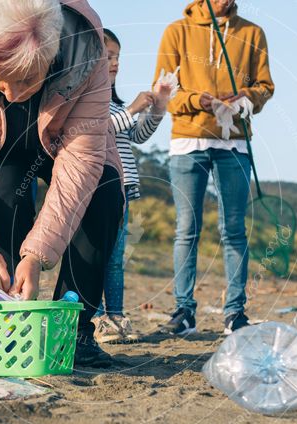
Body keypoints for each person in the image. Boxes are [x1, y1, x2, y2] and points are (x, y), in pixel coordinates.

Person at [0, 0, 125, 368]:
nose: (16, 94)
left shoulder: (87, 48)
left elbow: (80, 162)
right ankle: (6, 324)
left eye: (29, 80)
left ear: (54, 54)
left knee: (103, 193)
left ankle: (75, 332)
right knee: (3, 187)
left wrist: (36, 255)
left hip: (72, 133)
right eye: (6, 81)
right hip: (2, 138)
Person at [153, 0, 274, 335]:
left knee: (234, 229)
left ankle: (235, 312)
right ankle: (183, 311)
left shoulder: (252, 32)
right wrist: (198, 100)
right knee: (186, 229)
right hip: (187, 142)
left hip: (234, 143)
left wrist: (243, 97)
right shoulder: (176, 31)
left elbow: (265, 87)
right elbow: (164, 92)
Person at [93, 29, 170, 344]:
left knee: (115, 257)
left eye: (117, 58)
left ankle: (117, 315)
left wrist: (157, 108)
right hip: (97, 188)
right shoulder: (90, 103)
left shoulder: (114, 104)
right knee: (95, 254)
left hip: (122, 192)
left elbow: (136, 136)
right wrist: (132, 110)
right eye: (108, 57)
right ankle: (95, 317)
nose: (115, 64)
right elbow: (101, 132)